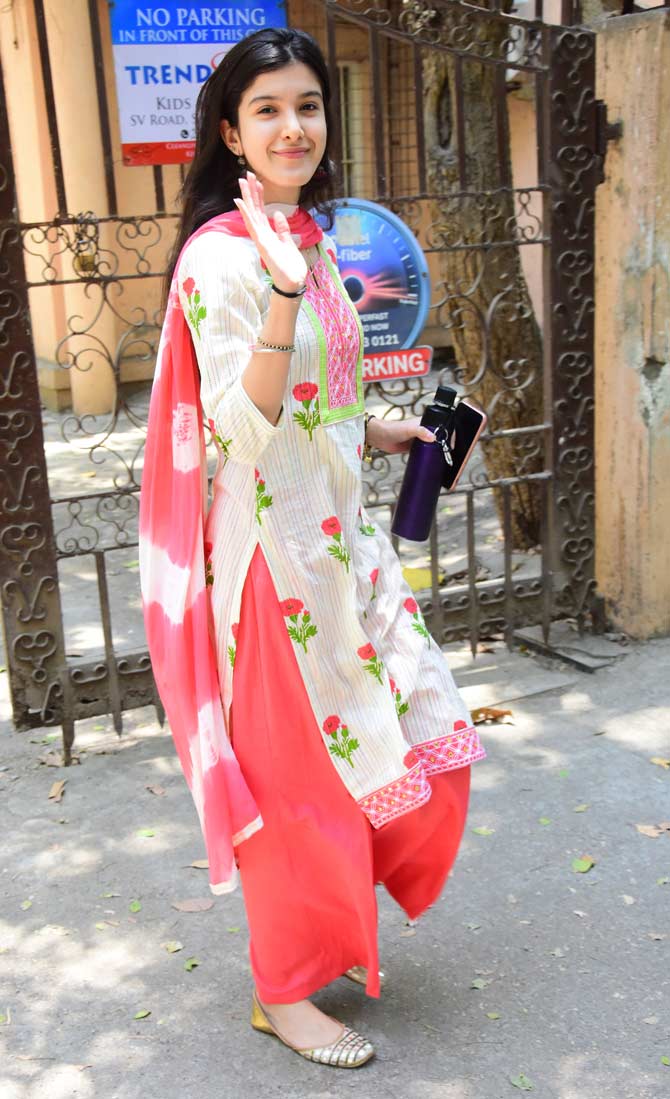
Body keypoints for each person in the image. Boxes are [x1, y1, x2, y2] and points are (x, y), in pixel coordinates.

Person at [139, 26, 485, 1070]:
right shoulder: (224, 257)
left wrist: (378, 428)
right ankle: (283, 989)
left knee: (420, 733)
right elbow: (239, 429)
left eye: (308, 105)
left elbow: (315, 397)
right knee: (297, 786)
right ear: (229, 132)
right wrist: (283, 290)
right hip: (271, 566)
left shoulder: (306, 232)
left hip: (344, 544)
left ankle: (329, 929)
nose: (294, 126)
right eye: (268, 110)